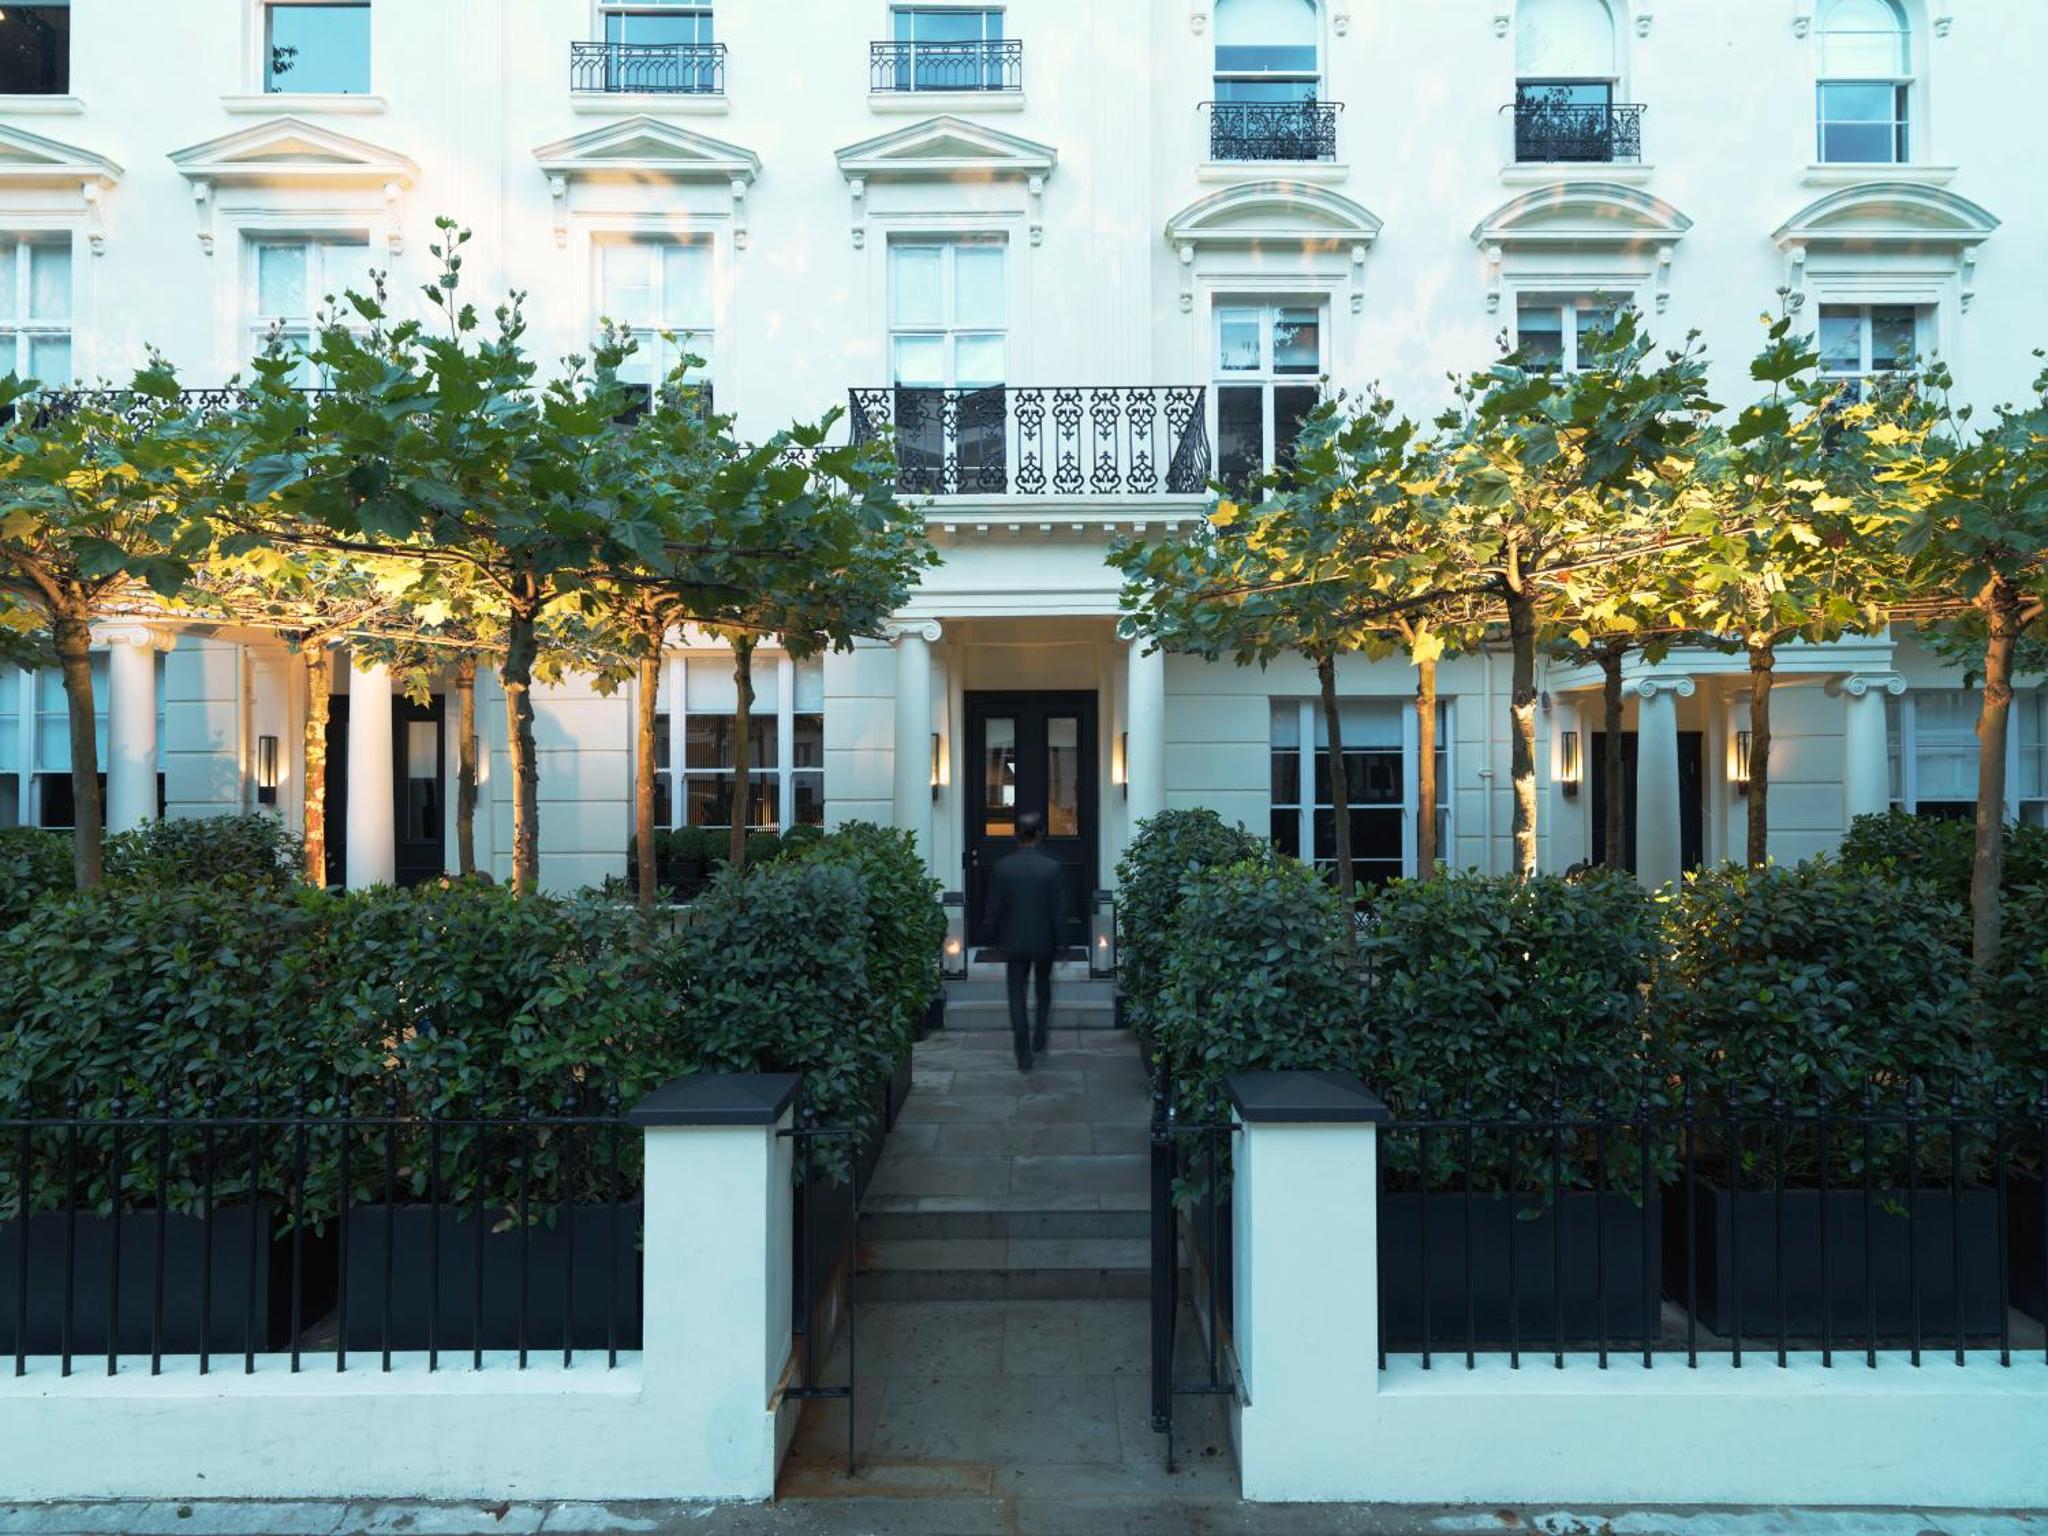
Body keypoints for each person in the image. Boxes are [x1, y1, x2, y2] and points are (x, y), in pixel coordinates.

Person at [983, 810, 1068, 1073]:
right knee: (1043, 992)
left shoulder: (1003, 867)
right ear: (1040, 834)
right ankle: (1039, 1037)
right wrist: (1063, 943)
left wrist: (991, 941)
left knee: (1016, 995)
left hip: (1014, 941)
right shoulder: (1051, 867)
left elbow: (994, 909)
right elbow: (1058, 911)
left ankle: (1023, 1052)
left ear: (1015, 834)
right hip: (1043, 940)